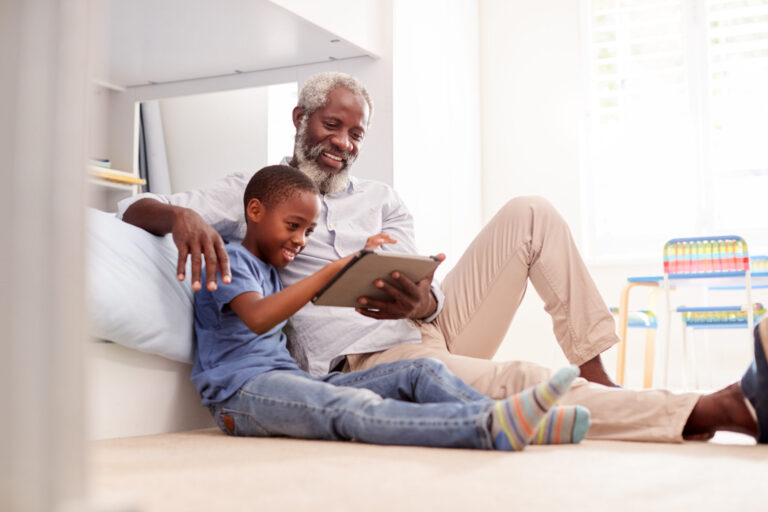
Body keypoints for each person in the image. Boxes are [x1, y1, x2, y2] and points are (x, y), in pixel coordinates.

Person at [120, 71, 768, 444]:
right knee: (517, 379)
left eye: (355, 133)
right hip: (370, 358)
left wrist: (425, 298)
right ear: (300, 118)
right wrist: (178, 216)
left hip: (428, 322)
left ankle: (597, 372)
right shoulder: (252, 189)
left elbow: (419, 284)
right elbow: (134, 210)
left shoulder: (381, 198)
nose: (343, 143)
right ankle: (713, 409)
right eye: (331, 126)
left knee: (530, 211)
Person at [191, 164, 591, 450]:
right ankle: (485, 427)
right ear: (255, 211)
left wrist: (364, 267)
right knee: (355, 407)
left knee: (420, 369)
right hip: (240, 397)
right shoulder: (228, 259)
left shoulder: (272, 270)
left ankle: (525, 422)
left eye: (309, 231)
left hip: (290, 382)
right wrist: (335, 268)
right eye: (293, 226)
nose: (300, 240)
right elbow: (258, 317)